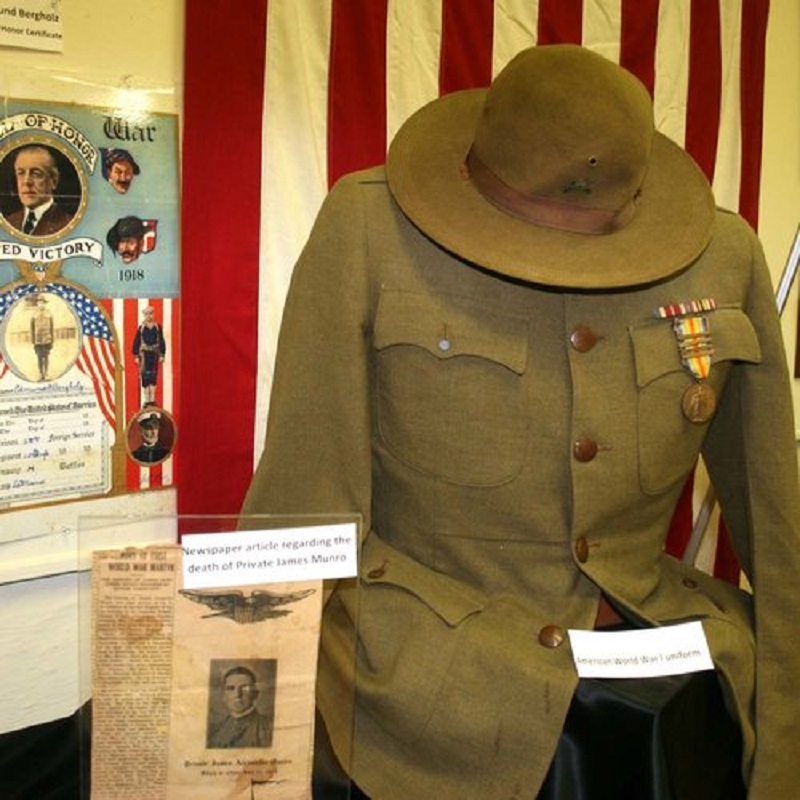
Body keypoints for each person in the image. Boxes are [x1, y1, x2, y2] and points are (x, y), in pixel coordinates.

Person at [241, 45, 800, 799]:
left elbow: (775, 513)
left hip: (640, 641)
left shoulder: (723, 255)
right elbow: (302, 505)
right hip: (421, 674)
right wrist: (245, 751)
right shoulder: (370, 226)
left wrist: (785, 756)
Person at [4, 145, 72, 236]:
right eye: (20, 173)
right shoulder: (8, 222)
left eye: (36, 173)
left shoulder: (67, 224)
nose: (26, 181)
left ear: (54, 181)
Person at [207, 666, 273, 749]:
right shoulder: (215, 730)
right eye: (231, 688)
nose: (238, 694)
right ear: (224, 695)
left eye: (245, 688)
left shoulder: (269, 728)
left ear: (255, 694)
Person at [132, 306, 166, 406]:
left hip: (154, 355)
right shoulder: (141, 328)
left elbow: (161, 341)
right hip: (144, 356)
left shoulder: (157, 327)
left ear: (153, 314)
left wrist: (162, 354)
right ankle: (147, 400)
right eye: (147, 314)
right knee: (145, 377)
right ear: (144, 315)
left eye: (151, 314)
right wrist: (136, 356)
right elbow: (136, 342)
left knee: (153, 377)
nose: (149, 316)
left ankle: (152, 399)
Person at [29, 295, 53, 381]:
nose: (41, 304)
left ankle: (46, 374)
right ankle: (40, 374)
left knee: (46, 356)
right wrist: (33, 340)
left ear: (45, 304)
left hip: (47, 339)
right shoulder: (34, 314)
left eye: (43, 303)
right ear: (37, 303)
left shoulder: (49, 313)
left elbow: (52, 327)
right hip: (38, 340)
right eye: (39, 302)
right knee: (39, 357)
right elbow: (31, 327)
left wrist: (52, 340)